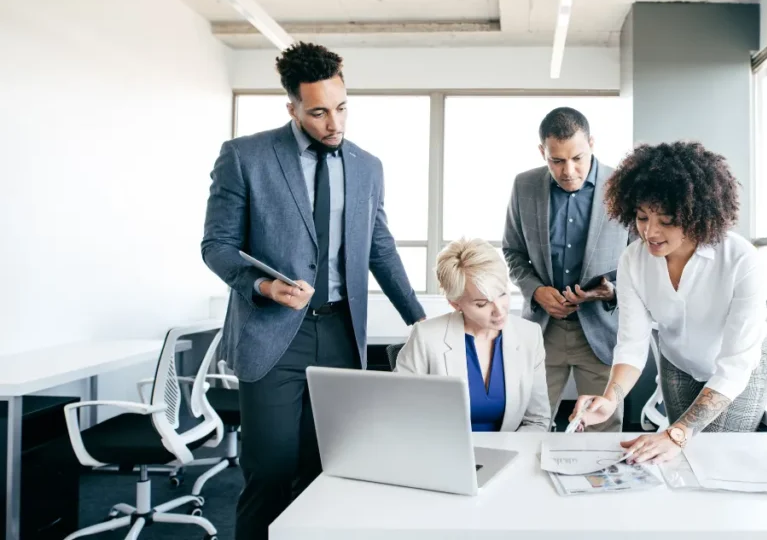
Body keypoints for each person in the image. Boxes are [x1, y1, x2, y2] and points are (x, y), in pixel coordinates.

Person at [201, 42, 426, 539]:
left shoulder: (368, 166)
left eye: (342, 108)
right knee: (272, 471)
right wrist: (263, 285)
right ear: (293, 108)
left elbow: (379, 247)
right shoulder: (246, 156)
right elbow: (216, 245)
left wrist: (421, 320)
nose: (334, 123)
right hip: (274, 334)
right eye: (319, 112)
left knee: (331, 470)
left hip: (343, 332)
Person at [570, 141, 767, 464]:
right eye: (641, 217)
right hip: (678, 363)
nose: (650, 232)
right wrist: (610, 399)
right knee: (679, 458)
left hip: (740, 368)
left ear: (696, 215)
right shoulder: (633, 261)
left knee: (715, 454)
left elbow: (735, 366)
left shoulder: (740, 259)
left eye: (666, 220)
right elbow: (632, 345)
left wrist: (676, 433)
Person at [503, 107, 631, 432]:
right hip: (544, 329)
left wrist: (612, 290)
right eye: (556, 160)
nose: (568, 170)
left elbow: (642, 262)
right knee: (527, 424)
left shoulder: (625, 187)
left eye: (578, 157)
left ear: (591, 143)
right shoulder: (524, 186)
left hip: (602, 328)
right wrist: (535, 291)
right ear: (542, 152)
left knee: (602, 428)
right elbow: (512, 252)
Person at [396, 238, 550, 432]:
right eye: (481, 304)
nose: (499, 311)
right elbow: (399, 413)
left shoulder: (529, 335)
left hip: (511, 454)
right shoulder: (427, 338)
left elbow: (537, 421)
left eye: (502, 294)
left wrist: (510, 456)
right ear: (456, 303)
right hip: (444, 453)